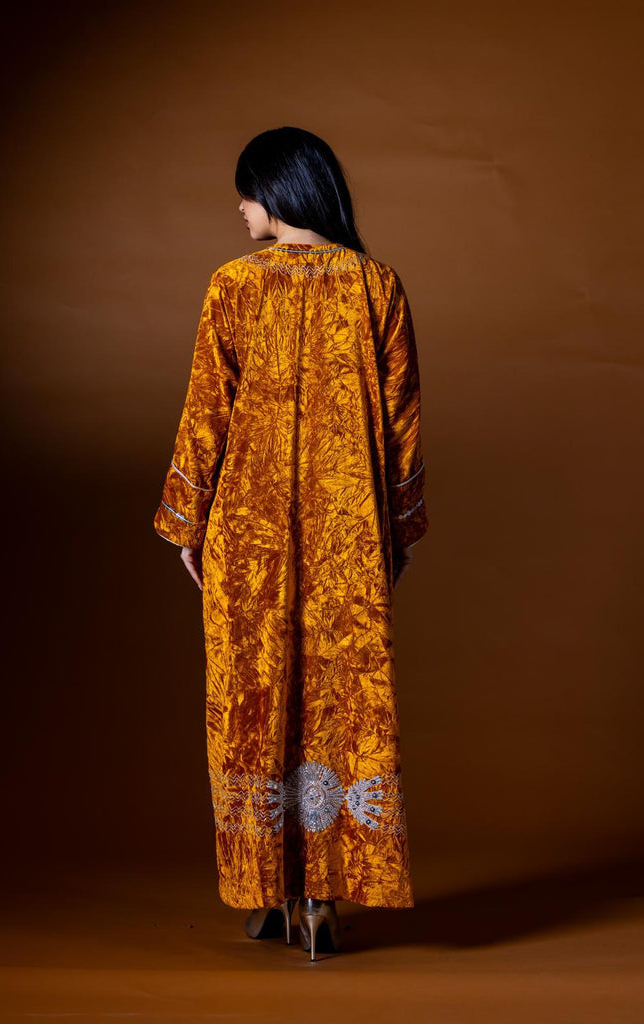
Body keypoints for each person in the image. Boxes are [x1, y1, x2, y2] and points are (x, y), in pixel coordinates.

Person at [153, 126, 429, 961]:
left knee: (256, 697)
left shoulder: (233, 285)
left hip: (250, 534)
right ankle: (318, 901)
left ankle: (273, 889)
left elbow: (206, 411)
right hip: (348, 533)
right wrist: (395, 533)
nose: (240, 209)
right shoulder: (376, 284)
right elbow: (403, 426)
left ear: (276, 190)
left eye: (246, 192)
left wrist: (186, 523)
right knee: (339, 703)